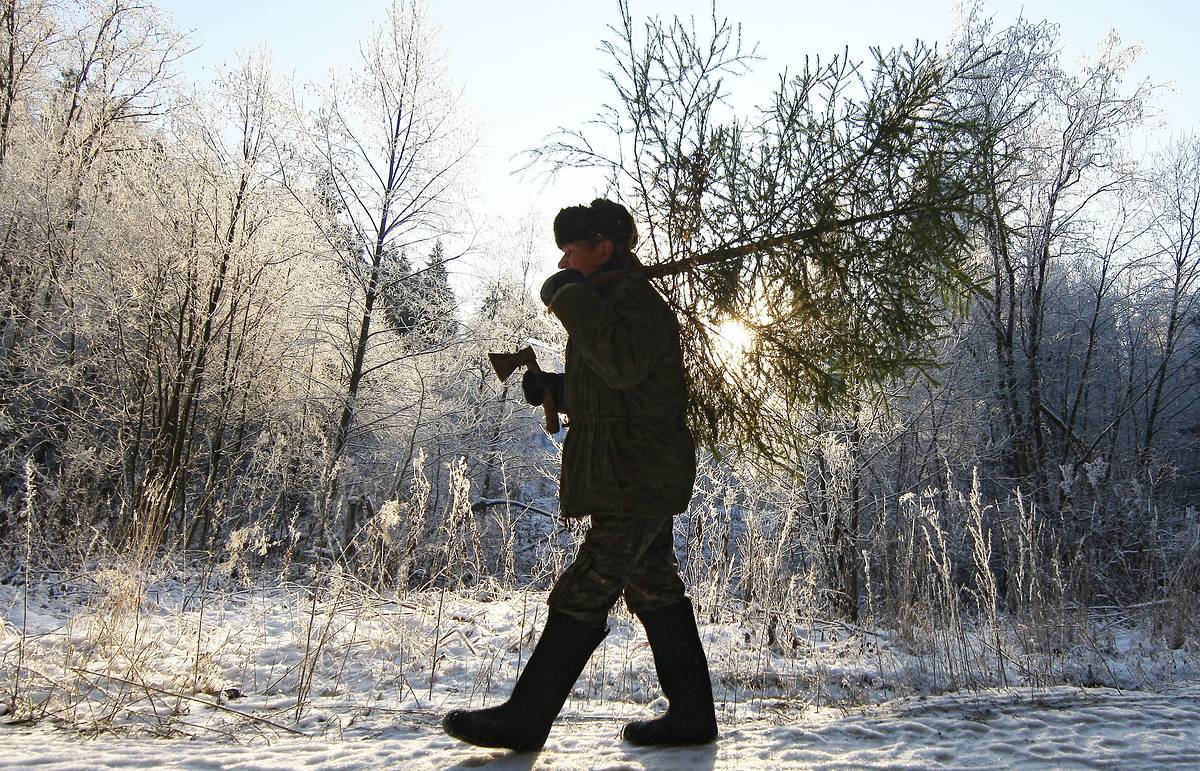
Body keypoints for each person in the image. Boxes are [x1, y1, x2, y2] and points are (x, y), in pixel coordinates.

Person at [441, 199, 718, 752]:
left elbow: (622, 363)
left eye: (571, 252)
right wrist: (558, 390)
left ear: (603, 248)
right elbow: (618, 386)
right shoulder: (612, 301)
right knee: (653, 587)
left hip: (637, 475)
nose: (564, 263)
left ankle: (526, 719)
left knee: (584, 587)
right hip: (632, 471)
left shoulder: (634, 301)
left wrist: (569, 299)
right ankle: (691, 716)